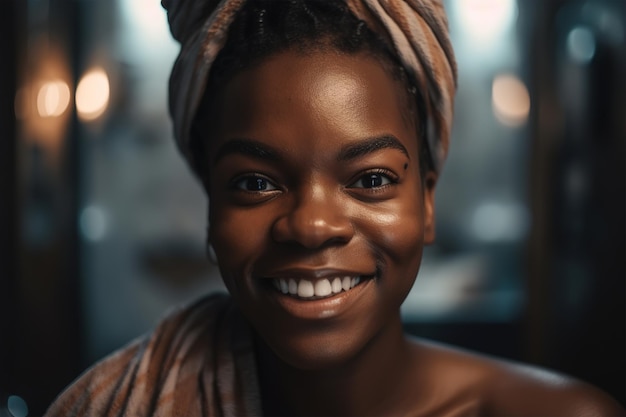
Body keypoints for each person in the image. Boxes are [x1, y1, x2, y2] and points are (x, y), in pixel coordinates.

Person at [45, 0, 624, 416]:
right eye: (253, 183)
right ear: (211, 214)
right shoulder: (125, 402)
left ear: (425, 202)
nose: (312, 225)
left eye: (371, 178)